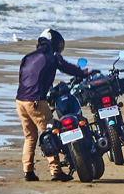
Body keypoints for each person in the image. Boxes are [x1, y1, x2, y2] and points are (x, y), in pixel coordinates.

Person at [16, 29, 87, 182]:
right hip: (36, 101)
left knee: (30, 136)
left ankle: (28, 171)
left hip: (20, 100)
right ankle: (56, 171)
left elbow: (23, 77)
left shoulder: (28, 57)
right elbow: (67, 68)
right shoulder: (50, 57)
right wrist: (83, 74)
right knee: (50, 134)